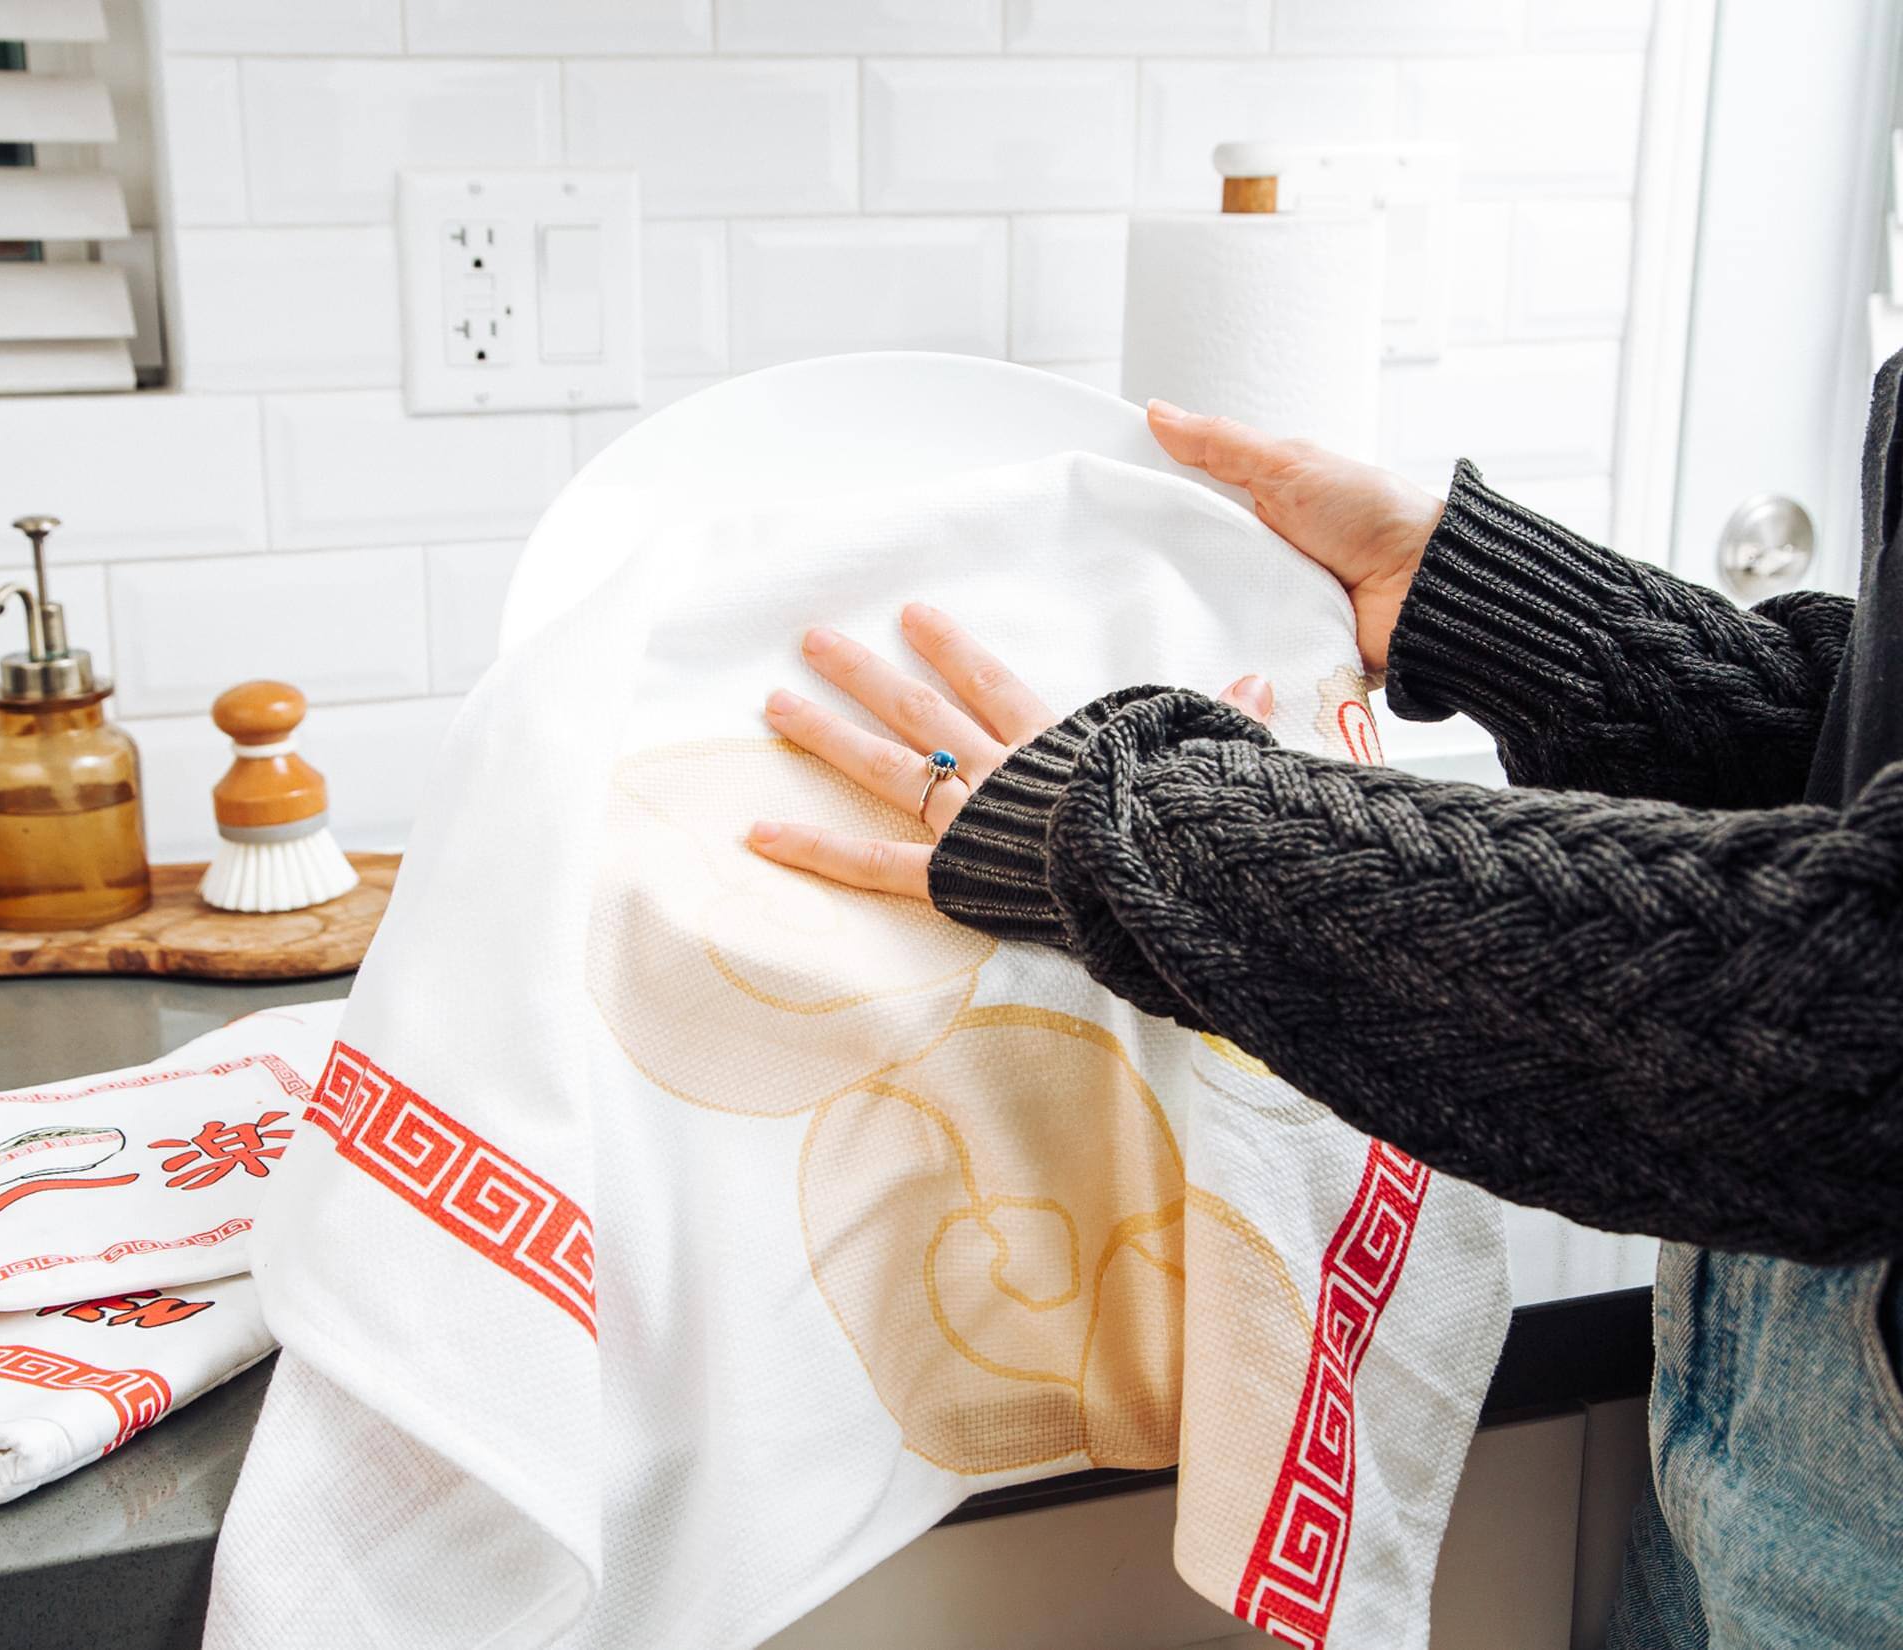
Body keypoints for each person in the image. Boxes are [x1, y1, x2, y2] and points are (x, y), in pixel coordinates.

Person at [741, 370, 1903, 1649]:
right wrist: (1503, 608)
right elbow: (1866, 751)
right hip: (1756, 1413)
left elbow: (1850, 1015)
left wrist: (1143, 836)